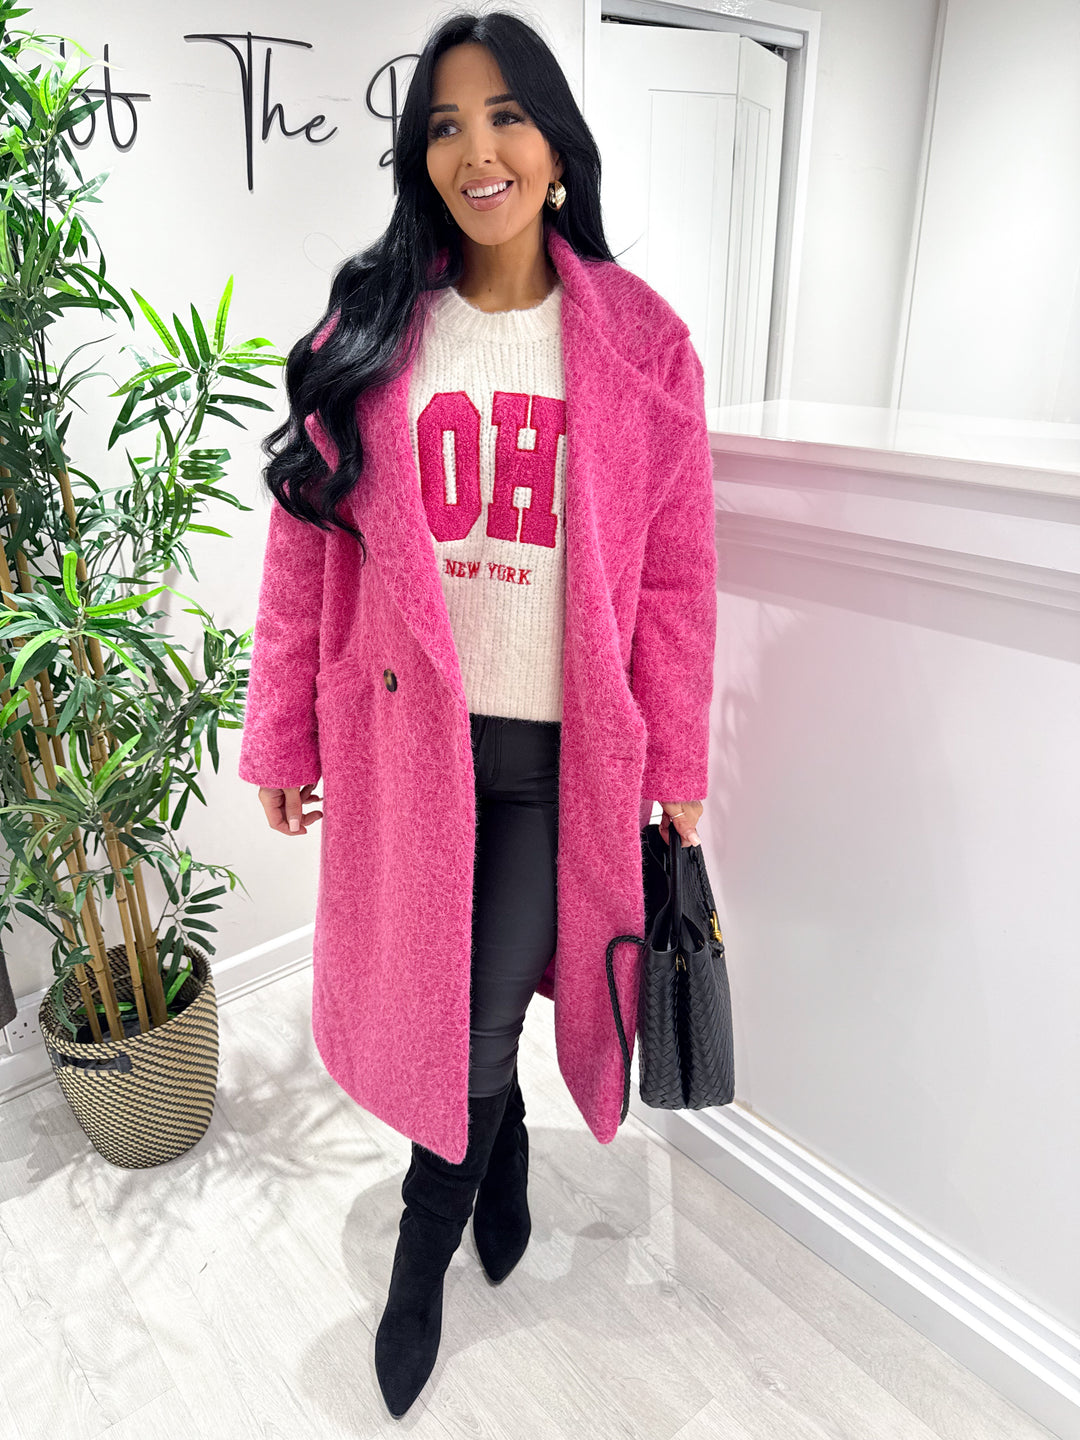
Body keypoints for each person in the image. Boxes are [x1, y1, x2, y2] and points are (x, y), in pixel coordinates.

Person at [238, 8, 716, 1420]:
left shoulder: (642, 341)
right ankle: (495, 1169)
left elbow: (677, 577)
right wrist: (281, 733)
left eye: (506, 115)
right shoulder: (372, 330)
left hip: (561, 762)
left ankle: (418, 1255)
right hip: (407, 754)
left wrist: (679, 756)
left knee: (479, 1021)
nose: (477, 150)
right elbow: (303, 553)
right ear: (421, 156)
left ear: (556, 144)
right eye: (446, 124)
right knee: (441, 1005)